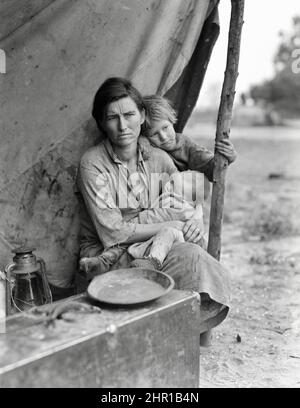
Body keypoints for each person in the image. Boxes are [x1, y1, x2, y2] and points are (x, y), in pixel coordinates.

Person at [76, 77, 231, 338]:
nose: (123, 125)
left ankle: (175, 332)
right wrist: (171, 224)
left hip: (155, 248)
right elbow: (112, 233)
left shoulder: (158, 157)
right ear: (102, 123)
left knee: (194, 256)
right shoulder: (93, 164)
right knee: (154, 270)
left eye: (129, 114)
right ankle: (152, 332)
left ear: (142, 116)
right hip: (109, 253)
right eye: (112, 118)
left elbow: (189, 194)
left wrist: (195, 219)